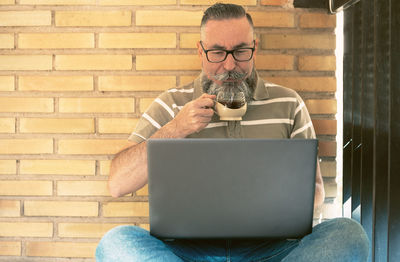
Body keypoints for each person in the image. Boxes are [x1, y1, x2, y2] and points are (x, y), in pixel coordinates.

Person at [96, 3, 369, 261]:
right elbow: (118, 184)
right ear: (200, 51)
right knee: (116, 241)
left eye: (240, 51)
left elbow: (317, 189)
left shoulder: (289, 104)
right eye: (217, 52)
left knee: (348, 234)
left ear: (254, 47)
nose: (229, 66)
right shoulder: (171, 105)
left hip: (271, 249)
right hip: (187, 251)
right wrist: (175, 128)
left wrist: (276, 213)